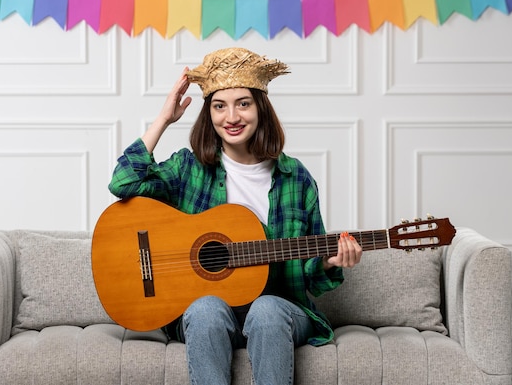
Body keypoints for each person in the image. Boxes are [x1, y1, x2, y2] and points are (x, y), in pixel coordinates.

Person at [108, 47, 362, 385]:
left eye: (243, 103)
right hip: (206, 312)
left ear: (260, 108)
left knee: (268, 308)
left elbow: (311, 276)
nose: (232, 117)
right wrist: (164, 120)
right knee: (205, 307)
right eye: (219, 105)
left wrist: (330, 262)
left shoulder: (295, 177)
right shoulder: (189, 168)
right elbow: (123, 182)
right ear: (208, 113)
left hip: (280, 310)